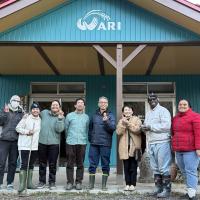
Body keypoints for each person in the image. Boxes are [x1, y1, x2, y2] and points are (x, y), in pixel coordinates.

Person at [141, 93, 172, 198]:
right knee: (155, 168)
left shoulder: (163, 111)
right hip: (151, 142)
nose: (152, 100)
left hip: (162, 142)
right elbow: (147, 126)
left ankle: (167, 190)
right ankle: (158, 189)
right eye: (150, 99)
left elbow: (167, 126)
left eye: (154, 98)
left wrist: (150, 127)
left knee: (163, 167)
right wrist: (144, 128)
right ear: (148, 101)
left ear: (158, 99)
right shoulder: (148, 113)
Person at [172, 99, 200, 200]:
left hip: (191, 150)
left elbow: (198, 133)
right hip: (179, 150)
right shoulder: (175, 118)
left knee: (191, 171)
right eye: (180, 104)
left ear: (189, 106)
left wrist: (198, 148)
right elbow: (173, 133)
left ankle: (192, 195)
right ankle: (189, 192)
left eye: (184, 104)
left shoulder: (195, 116)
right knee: (184, 171)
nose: (182, 106)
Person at [88, 96, 115, 190]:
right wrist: (91, 139)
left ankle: (104, 185)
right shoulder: (94, 115)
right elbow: (90, 128)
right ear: (98, 104)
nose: (103, 104)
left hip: (105, 143)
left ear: (107, 104)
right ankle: (91, 185)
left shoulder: (110, 115)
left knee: (105, 164)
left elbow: (112, 128)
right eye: (101, 102)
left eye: (105, 102)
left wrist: (106, 121)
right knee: (92, 164)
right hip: (94, 143)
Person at [37, 100, 65, 190]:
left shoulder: (61, 117)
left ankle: (52, 182)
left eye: (57, 105)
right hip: (42, 142)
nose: (55, 106)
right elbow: (35, 115)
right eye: (53, 105)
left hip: (54, 144)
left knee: (52, 164)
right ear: (51, 106)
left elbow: (59, 130)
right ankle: (42, 181)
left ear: (59, 107)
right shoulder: (44, 113)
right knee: (42, 163)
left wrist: (60, 119)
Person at [16, 102, 41, 194]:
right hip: (24, 146)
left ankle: (29, 183)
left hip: (34, 146)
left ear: (39, 110)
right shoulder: (26, 118)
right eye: (34, 109)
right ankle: (22, 185)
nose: (35, 110)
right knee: (24, 164)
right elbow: (18, 128)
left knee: (31, 165)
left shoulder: (39, 120)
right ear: (31, 110)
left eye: (37, 109)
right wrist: (27, 132)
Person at [65, 98, 89, 190]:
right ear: (75, 105)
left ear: (84, 106)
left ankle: (78, 182)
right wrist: (69, 138)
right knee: (70, 163)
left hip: (82, 142)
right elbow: (66, 129)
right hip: (70, 142)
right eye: (78, 103)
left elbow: (86, 129)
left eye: (82, 103)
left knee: (80, 163)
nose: (80, 104)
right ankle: (70, 182)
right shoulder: (69, 116)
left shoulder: (86, 117)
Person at [0, 95, 24, 190]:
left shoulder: (21, 113)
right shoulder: (4, 110)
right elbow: (1, 122)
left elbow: (23, 125)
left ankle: (10, 183)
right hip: (3, 140)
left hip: (15, 141)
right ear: (10, 101)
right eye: (14, 100)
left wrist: (24, 114)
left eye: (18, 101)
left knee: (13, 163)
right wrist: (5, 113)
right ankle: (0, 183)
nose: (16, 102)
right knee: (1, 162)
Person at [116, 105, 142, 191]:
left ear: (132, 111)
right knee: (126, 167)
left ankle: (133, 184)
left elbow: (137, 130)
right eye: (125, 110)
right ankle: (127, 184)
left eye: (129, 110)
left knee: (133, 167)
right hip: (124, 147)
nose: (127, 111)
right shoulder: (121, 121)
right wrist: (123, 124)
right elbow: (118, 132)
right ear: (123, 112)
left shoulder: (137, 119)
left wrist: (128, 124)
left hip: (134, 146)